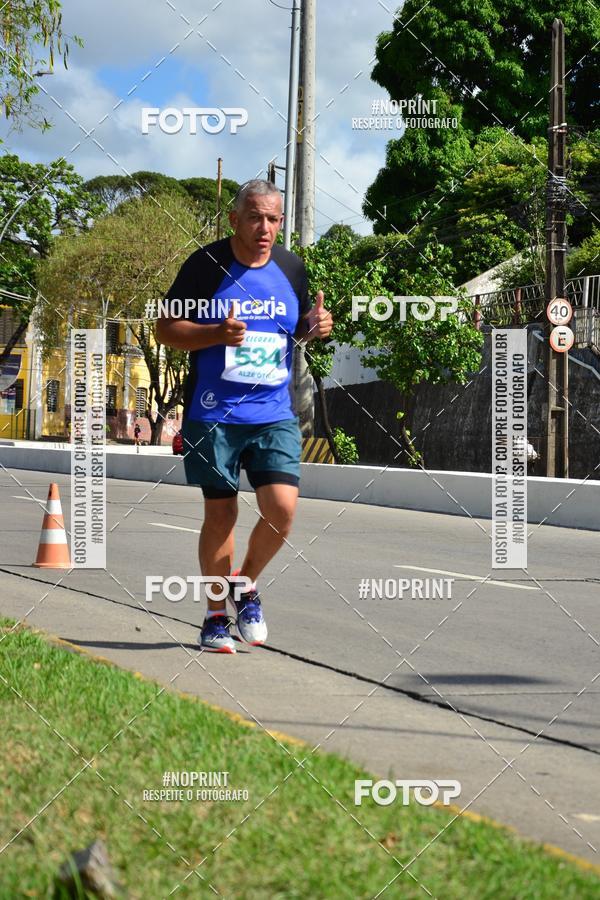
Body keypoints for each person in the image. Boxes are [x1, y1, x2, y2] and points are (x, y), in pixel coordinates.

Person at [157, 179, 333, 653]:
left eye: (273, 219)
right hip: (213, 412)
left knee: (282, 510)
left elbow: (295, 330)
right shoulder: (204, 266)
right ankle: (215, 617)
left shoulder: (291, 268)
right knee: (222, 513)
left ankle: (245, 584)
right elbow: (165, 329)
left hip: (273, 412)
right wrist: (215, 333)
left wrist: (314, 326)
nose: (264, 228)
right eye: (255, 217)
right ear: (234, 219)